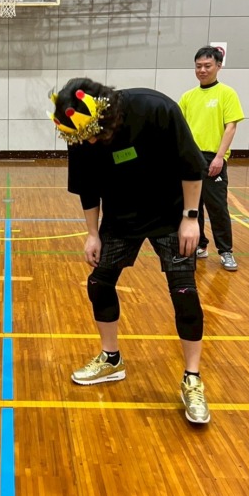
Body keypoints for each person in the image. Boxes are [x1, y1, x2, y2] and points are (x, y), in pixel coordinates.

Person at [49, 79, 210, 424]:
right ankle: (111, 359)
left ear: (105, 115)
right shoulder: (79, 132)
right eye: (83, 139)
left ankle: (192, 379)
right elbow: (87, 187)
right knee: (99, 282)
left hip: (172, 214)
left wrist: (191, 218)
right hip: (121, 216)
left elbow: (191, 165)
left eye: (93, 135)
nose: (90, 143)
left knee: (184, 291)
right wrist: (92, 233)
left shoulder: (155, 108)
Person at [179, 46, 244, 271]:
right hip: (191, 158)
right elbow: (181, 129)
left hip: (213, 158)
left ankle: (226, 251)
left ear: (218, 66)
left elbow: (231, 127)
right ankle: (200, 244)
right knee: (192, 206)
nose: (202, 70)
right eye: (198, 66)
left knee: (217, 207)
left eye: (207, 66)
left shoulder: (227, 93)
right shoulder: (188, 97)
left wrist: (219, 158)